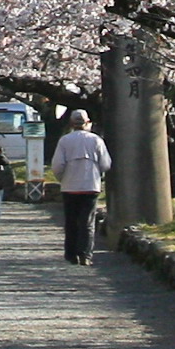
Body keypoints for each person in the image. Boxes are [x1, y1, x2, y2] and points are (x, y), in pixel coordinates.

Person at [51, 108, 111, 264]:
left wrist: (62, 178)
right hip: (90, 185)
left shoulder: (65, 140)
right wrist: (98, 174)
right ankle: (85, 254)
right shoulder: (96, 140)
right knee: (87, 222)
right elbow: (106, 163)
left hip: (70, 187)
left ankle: (71, 255)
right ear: (87, 123)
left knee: (71, 221)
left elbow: (57, 165)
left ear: (71, 123)